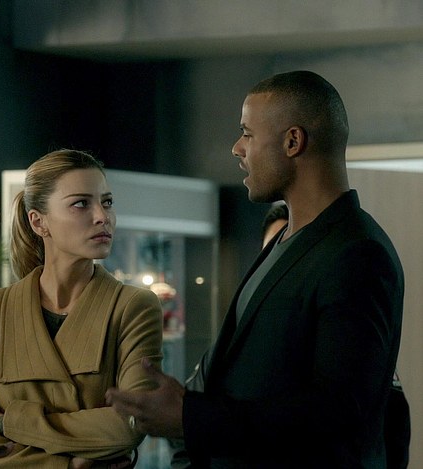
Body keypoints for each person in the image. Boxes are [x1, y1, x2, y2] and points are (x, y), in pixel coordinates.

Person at [106, 70, 405, 467]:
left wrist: (191, 417)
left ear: (293, 141)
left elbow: (340, 409)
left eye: (247, 133)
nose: (236, 148)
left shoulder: (357, 252)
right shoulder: (284, 242)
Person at [0, 149, 164, 467]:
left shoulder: (133, 307)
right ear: (38, 221)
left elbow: (132, 421)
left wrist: (6, 421)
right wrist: (67, 465)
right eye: (81, 203)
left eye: (107, 202)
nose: (102, 216)